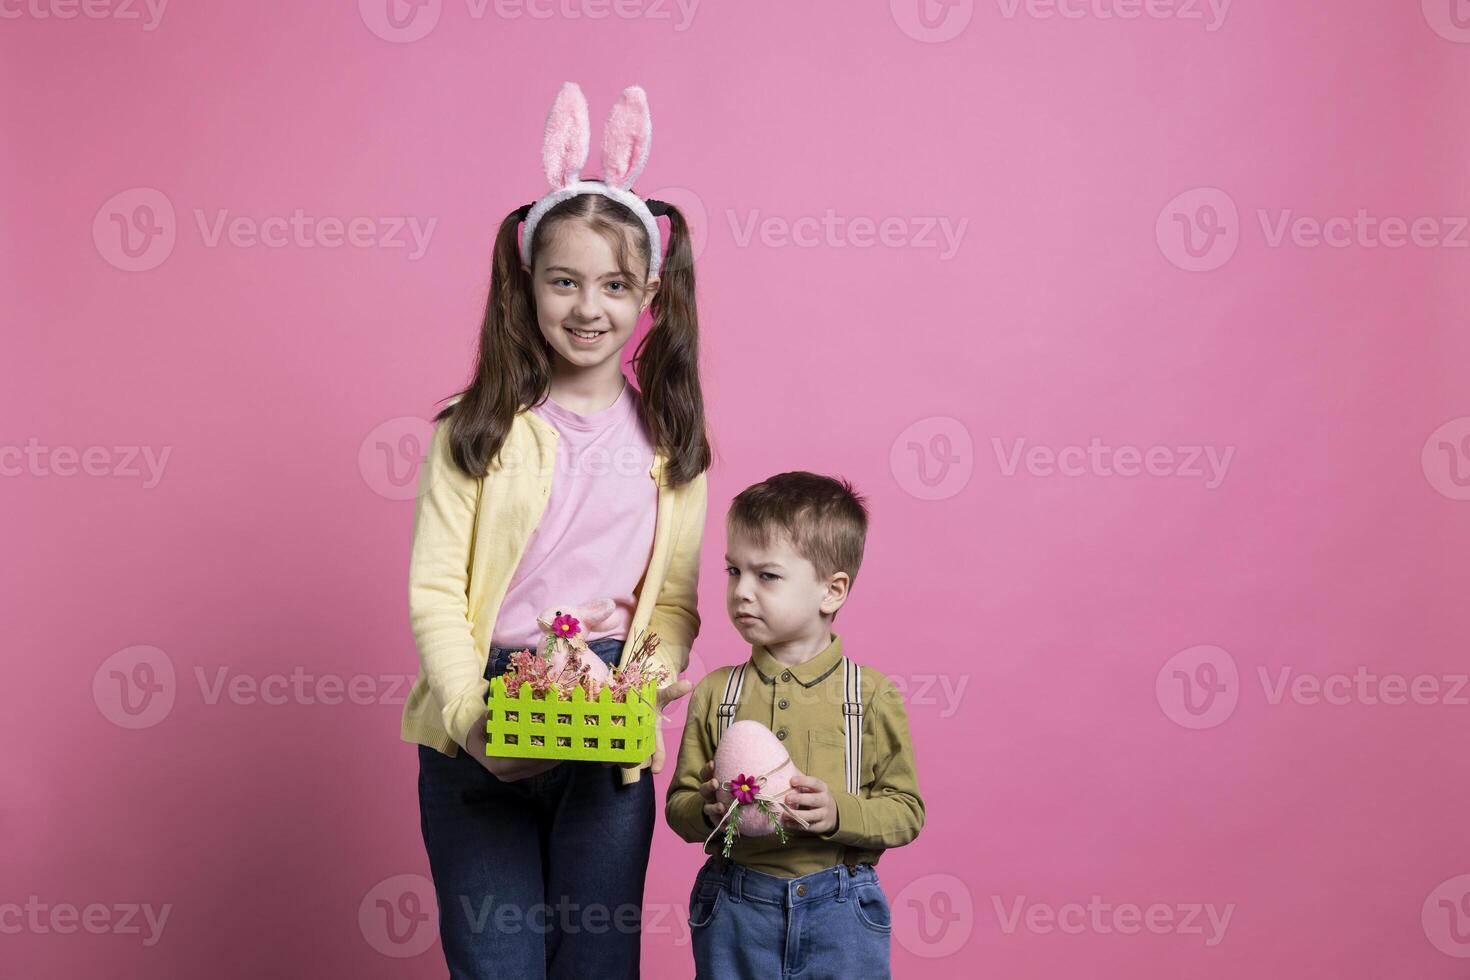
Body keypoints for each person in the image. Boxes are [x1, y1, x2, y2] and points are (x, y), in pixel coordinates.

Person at [401, 81, 709, 980]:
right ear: (527, 281)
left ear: (648, 291)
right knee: (497, 964)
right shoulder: (475, 428)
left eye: (615, 285)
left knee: (597, 965)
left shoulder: (672, 441)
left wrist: (635, 692)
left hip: (607, 725)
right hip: (484, 712)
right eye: (564, 281)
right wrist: (470, 721)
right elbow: (435, 592)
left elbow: (677, 605)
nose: (588, 307)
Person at [665, 471, 925, 980]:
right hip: (736, 905)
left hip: (840, 907)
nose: (741, 591)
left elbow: (907, 811)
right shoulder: (717, 692)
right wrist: (710, 809)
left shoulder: (870, 695)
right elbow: (678, 809)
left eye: (767, 576)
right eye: (733, 570)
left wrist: (836, 813)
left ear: (831, 591)